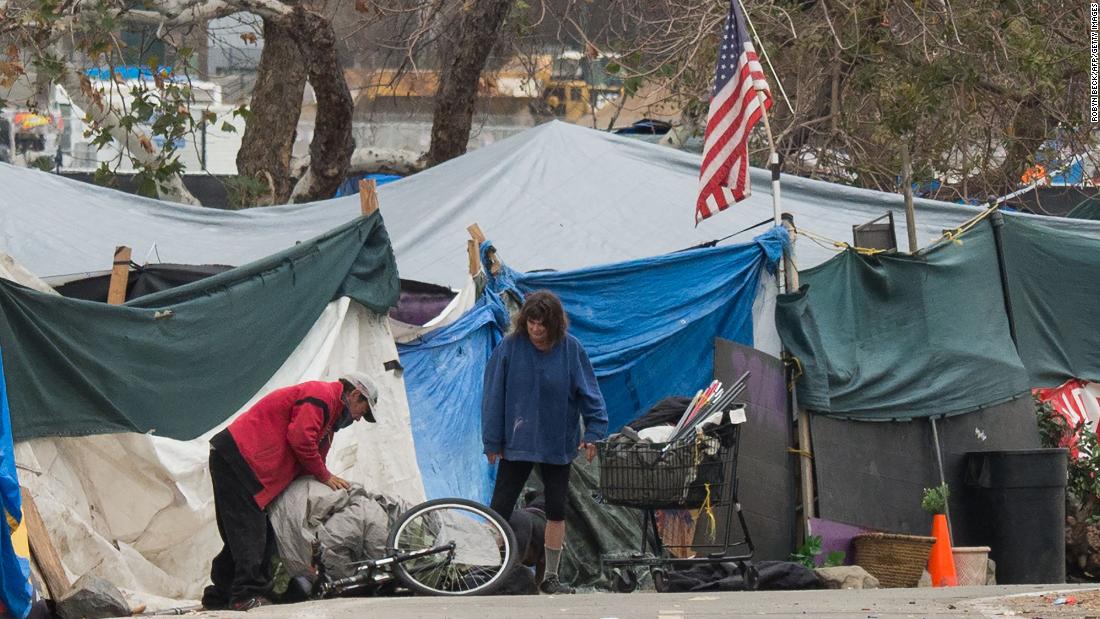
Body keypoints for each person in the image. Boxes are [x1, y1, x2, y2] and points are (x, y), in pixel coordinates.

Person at [202, 372, 380, 611]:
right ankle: (245, 595)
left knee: (249, 535)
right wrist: (325, 476)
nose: (359, 419)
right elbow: (300, 439)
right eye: (363, 410)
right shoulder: (322, 395)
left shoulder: (329, 423)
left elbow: (311, 462)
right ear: (355, 394)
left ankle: (219, 596)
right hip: (240, 460)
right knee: (251, 533)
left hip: (251, 468)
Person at [482, 290, 608, 595]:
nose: (536, 330)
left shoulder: (571, 350)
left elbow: (590, 392)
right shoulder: (510, 347)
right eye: (531, 323)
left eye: (542, 324)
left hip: (557, 441)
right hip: (518, 439)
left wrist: (594, 432)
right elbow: (493, 394)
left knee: (556, 509)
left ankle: (550, 576)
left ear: (554, 325)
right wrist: (492, 440)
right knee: (499, 507)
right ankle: (486, 568)